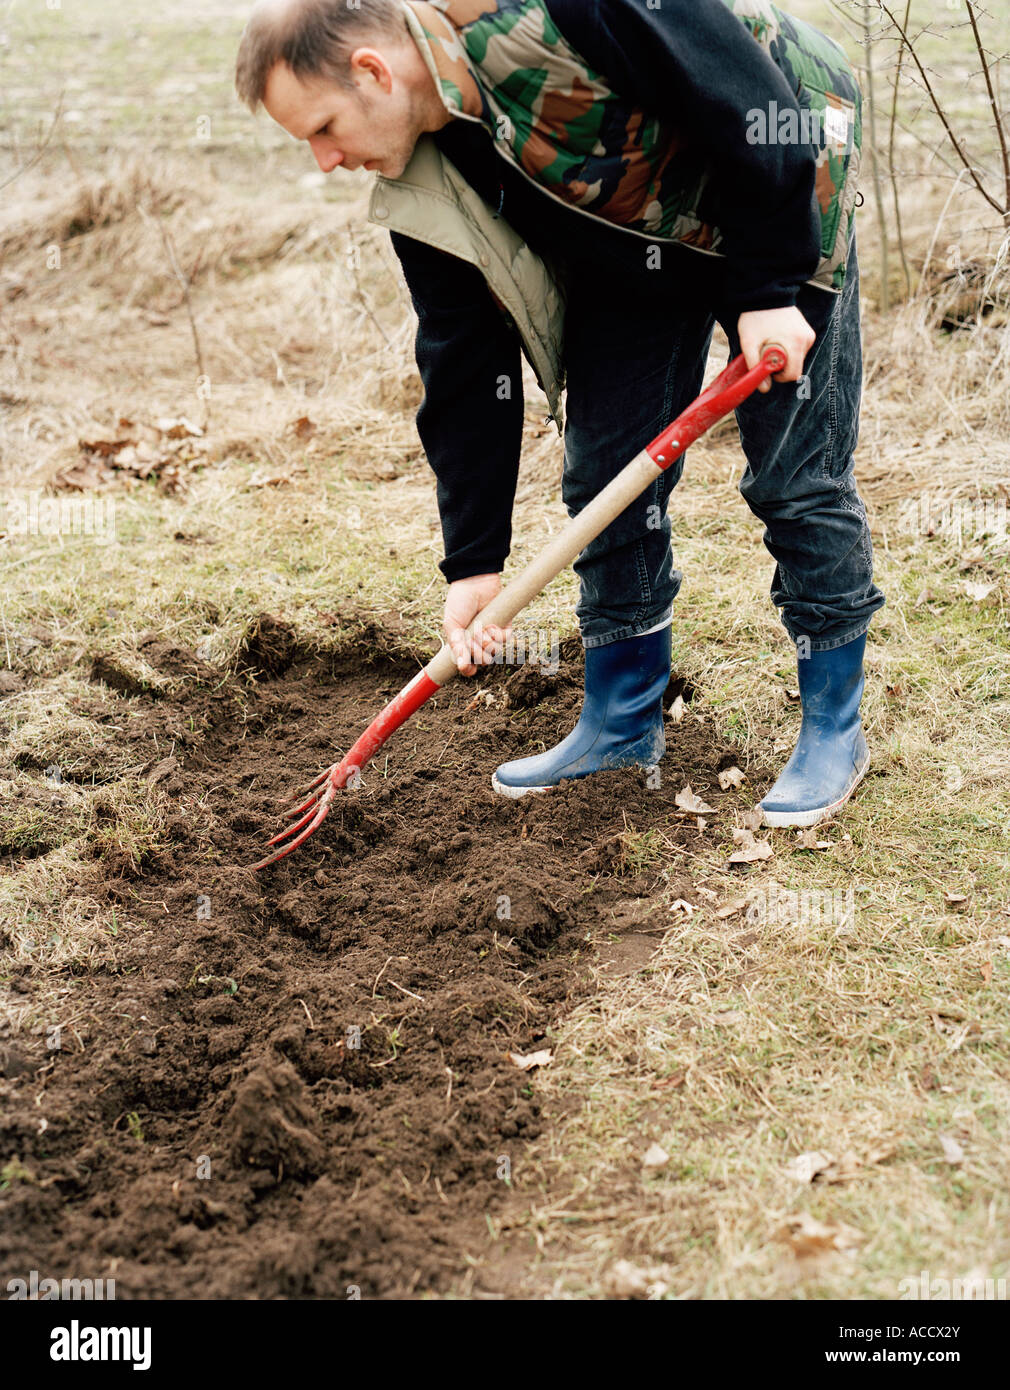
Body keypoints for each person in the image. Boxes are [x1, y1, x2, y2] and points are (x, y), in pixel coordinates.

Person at [235, 0, 885, 828]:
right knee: (605, 472)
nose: (326, 161)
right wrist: (473, 562)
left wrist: (768, 289)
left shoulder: (560, 12)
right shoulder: (424, 175)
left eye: (323, 128)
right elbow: (463, 358)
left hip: (782, 183)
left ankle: (833, 727)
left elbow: (748, 98)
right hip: (638, 235)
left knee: (794, 476)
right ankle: (621, 722)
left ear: (372, 71)